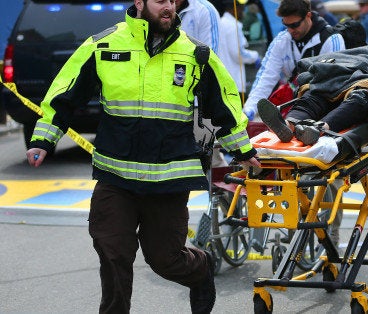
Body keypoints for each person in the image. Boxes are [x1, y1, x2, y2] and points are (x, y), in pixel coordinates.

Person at [25, 1, 260, 313]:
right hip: (116, 177)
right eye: (161, 0)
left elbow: (225, 104)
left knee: (166, 260)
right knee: (112, 251)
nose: (169, 7)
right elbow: (64, 93)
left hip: (168, 179)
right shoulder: (103, 45)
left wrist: (242, 150)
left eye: (173, 1)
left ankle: (201, 268)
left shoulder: (196, 53)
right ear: (140, 2)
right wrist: (44, 138)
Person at [257, 47, 368, 145]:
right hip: (357, 78)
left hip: (338, 77)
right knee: (360, 98)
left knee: (315, 97)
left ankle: (290, 123)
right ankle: (318, 128)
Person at [241, 0, 346, 120]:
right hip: (295, 104)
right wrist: (249, 109)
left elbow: (335, 83)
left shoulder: (331, 39)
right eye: (286, 25)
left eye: (295, 25)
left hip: (324, 105)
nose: (290, 30)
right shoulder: (281, 41)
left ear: (308, 16)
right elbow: (265, 78)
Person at [218, 0, 261, 98]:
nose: (243, 11)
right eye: (242, 8)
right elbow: (239, 54)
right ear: (235, 8)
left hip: (223, 81)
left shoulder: (221, 22)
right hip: (233, 83)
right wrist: (256, 56)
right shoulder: (233, 26)